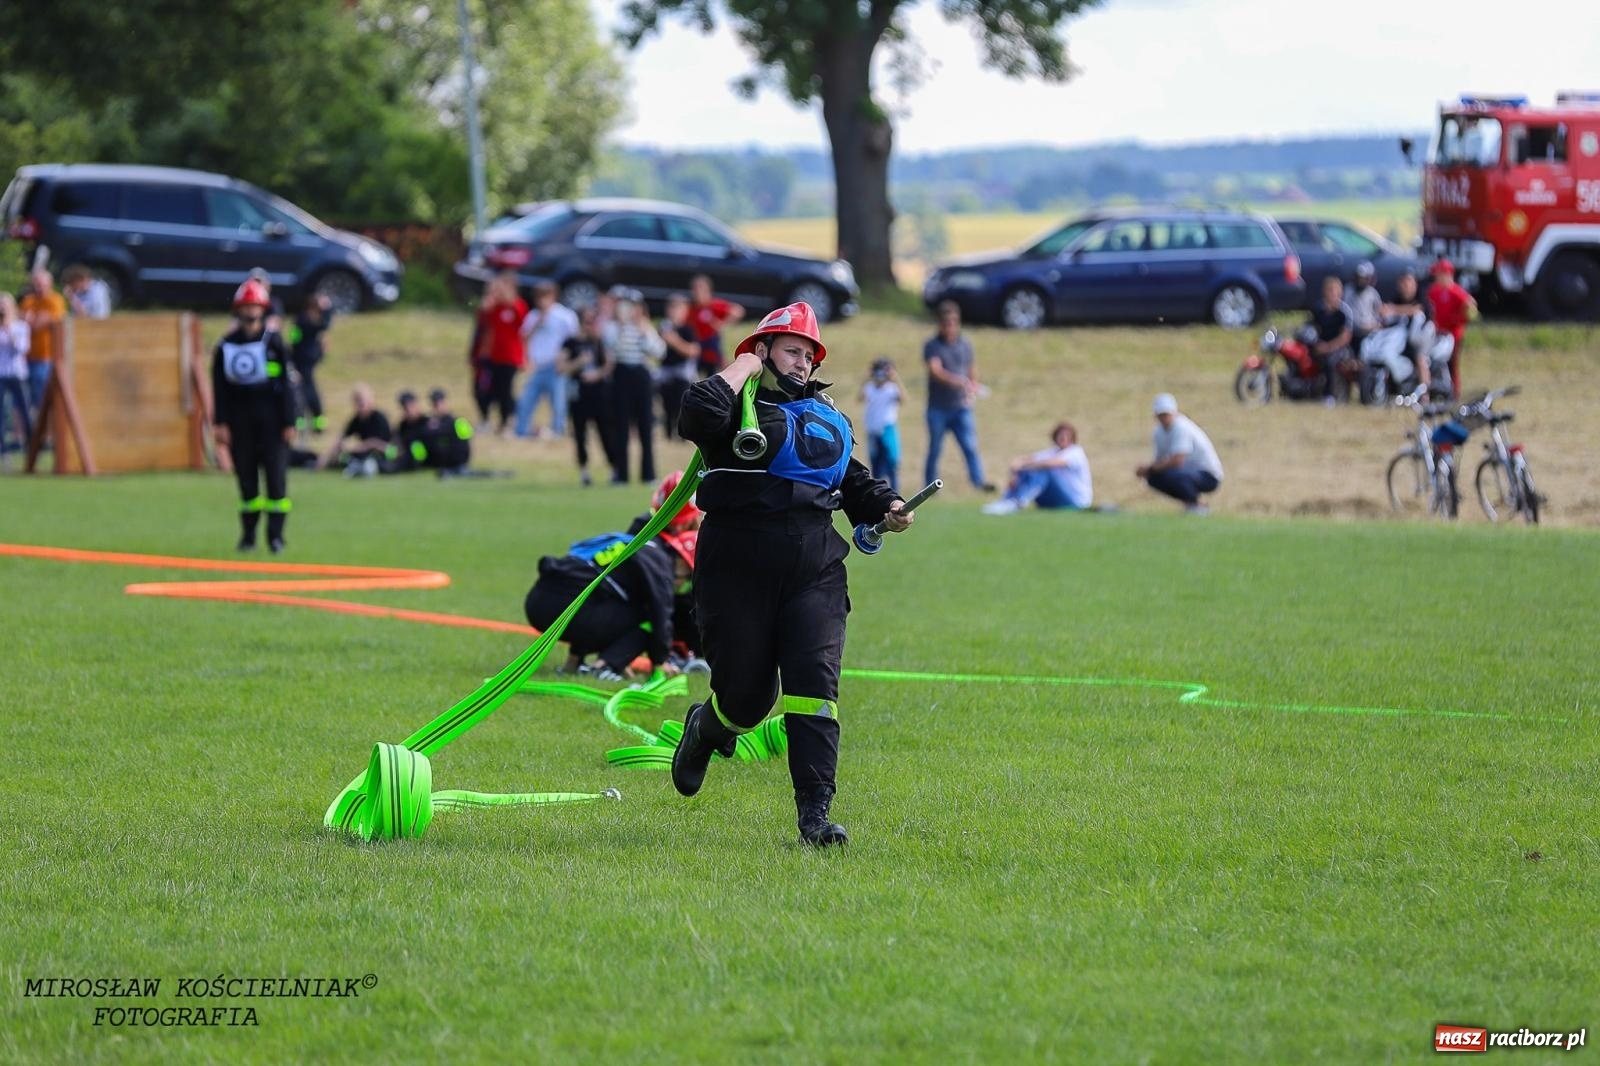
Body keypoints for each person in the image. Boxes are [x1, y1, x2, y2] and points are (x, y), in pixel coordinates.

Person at [673, 301, 912, 847]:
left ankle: (814, 818)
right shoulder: (734, 405)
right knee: (748, 701)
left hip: (815, 569)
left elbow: (854, 481)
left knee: (814, 689)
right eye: (790, 351)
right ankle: (709, 726)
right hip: (736, 567)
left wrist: (888, 506)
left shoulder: (829, 416)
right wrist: (744, 368)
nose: (802, 362)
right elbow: (694, 414)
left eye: (808, 354)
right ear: (764, 351)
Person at [523, 525, 695, 682]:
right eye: (687, 576)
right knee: (648, 620)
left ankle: (573, 664)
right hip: (566, 610)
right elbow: (661, 615)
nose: (682, 583)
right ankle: (605, 667)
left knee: (600, 600)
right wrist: (660, 661)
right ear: (681, 561)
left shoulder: (636, 541)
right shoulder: (660, 563)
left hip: (537, 601)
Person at [211, 279, 295, 552]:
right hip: (240, 421)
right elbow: (219, 389)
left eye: (255, 306)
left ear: (263, 309)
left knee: (276, 481)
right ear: (239, 309)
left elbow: (288, 386)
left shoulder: (275, 343)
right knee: (246, 481)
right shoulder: (225, 346)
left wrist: (290, 421)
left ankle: (276, 538)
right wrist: (220, 423)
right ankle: (248, 537)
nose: (251, 311)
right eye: (246, 306)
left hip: (272, 422)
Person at [923, 300, 994, 491]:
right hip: (938, 407)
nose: (951, 326)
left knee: (970, 446)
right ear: (940, 323)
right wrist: (959, 381)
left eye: (954, 322)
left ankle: (978, 482)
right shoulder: (933, 346)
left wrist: (971, 388)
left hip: (961, 407)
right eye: (947, 322)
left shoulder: (965, 344)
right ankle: (929, 486)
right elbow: (935, 371)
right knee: (936, 449)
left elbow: (971, 369)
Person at [602, 288, 664, 483]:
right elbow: (610, 347)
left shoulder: (645, 327)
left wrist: (643, 330)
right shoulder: (613, 327)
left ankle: (648, 475)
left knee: (645, 425)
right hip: (621, 374)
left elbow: (658, 351)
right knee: (621, 426)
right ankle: (621, 474)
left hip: (641, 375)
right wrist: (621, 326)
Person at [1136, 393, 1224, 515]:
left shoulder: (1181, 427)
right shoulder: (1158, 432)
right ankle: (1193, 503)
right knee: (1154, 478)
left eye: (1166, 414)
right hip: (1188, 472)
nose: (1164, 418)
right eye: (1161, 415)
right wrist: (1148, 470)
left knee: (1174, 473)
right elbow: (1160, 460)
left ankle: (1196, 505)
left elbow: (1177, 460)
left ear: (1174, 412)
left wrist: (1150, 468)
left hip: (1208, 475)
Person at [982, 422, 1093, 515]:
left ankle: (1018, 502)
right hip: (1054, 500)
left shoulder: (1075, 452)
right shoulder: (1052, 452)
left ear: (1072, 438)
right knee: (1027, 470)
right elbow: (1022, 461)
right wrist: (1015, 472)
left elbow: (1053, 463)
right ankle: (1006, 501)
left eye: (1067, 436)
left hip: (1075, 501)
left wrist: (1027, 466)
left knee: (1043, 471)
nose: (1063, 438)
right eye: (1060, 435)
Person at [514, 280, 579, 438]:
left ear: (553, 296)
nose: (541, 301)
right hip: (537, 365)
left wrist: (565, 362)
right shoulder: (533, 315)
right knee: (526, 400)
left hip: (555, 366)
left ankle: (558, 431)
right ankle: (521, 430)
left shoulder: (565, 316)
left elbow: (573, 341)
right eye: (538, 297)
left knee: (558, 402)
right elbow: (523, 337)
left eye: (545, 296)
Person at [560, 306, 617, 485]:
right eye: (587, 321)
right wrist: (578, 363)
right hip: (578, 396)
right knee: (579, 434)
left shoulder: (599, 342)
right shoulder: (571, 342)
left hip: (599, 395)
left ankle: (613, 468)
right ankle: (584, 471)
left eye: (593, 321)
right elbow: (561, 367)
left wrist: (597, 374)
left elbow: (609, 364)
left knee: (605, 432)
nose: (590, 325)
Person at [473, 273, 528, 434]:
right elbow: (482, 322)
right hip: (491, 357)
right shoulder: (494, 307)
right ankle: (487, 419)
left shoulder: (518, 306)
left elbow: (523, 325)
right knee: (485, 390)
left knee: (505, 391)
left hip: (510, 358)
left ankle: (507, 422)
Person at [1427, 258, 1476, 399]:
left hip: (1454, 335)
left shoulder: (1456, 292)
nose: (1436, 277)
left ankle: (1454, 391)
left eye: (1438, 274)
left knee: (1452, 363)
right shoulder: (1433, 291)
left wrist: (1462, 317)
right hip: (1437, 334)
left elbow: (1470, 305)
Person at [317, 384, 392, 475]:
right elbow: (342, 437)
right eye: (358, 402)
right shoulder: (357, 419)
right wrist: (326, 455)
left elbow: (376, 443)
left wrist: (355, 448)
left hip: (384, 454)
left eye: (362, 401)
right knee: (342, 456)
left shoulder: (379, 418)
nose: (360, 405)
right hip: (365, 453)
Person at [19, 268, 66, 413]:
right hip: (27, 357)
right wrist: (36, 319)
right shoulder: (28, 301)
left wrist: (33, 319)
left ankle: (46, 431)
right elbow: (21, 322)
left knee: (43, 396)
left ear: (49, 283)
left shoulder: (55, 300)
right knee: (28, 398)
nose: (38, 286)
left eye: (41, 283)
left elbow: (44, 322)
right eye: (35, 283)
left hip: (46, 357)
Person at [657, 292, 701, 441]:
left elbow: (693, 351)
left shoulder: (688, 329)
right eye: (672, 307)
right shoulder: (663, 327)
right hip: (666, 372)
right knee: (667, 406)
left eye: (678, 307)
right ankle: (668, 434)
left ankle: (682, 436)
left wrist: (674, 341)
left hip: (682, 373)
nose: (674, 311)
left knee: (681, 406)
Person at [289, 294, 334, 434]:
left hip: (303, 363)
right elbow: (325, 325)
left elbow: (293, 340)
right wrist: (328, 309)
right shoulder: (305, 322)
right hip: (303, 363)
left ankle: (310, 423)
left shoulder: (299, 321)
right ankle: (311, 424)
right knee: (306, 393)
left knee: (303, 391)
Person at [1307, 276, 1356, 403]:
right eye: (1329, 290)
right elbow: (1312, 328)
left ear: (1340, 292)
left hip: (1339, 348)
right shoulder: (1318, 309)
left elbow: (1345, 337)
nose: (1332, 293)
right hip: (1321, 345)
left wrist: (1328, 347)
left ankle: (1330, 396)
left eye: (1335, 290)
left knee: (1331, 361)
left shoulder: (1344, 312)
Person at [860, 356, 902, 492]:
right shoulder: (869, 388)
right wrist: (867, 377)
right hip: (873, 430)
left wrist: (895, 378)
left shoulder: (892, 388)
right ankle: (878, 492)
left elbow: (902, 398)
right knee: (875, 464)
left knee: (891, 462)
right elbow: (860, 397)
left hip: (887, 429)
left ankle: (895, 491)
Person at [688, 274, 743, 377]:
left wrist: (722, 324)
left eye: (701, 289)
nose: (698, 293)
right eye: (695, 290)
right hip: (698, 349)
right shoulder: (692, 308)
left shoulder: (714, 305)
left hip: (713, 349)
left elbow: (738, 311)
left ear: (708, 290)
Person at [0, 294, 30, 462]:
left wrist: (8, 329)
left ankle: (30, 443)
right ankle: (3, 448)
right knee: (1, 413)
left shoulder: (20, 326)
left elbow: (21, 349)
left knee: (24, 409)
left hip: (17, 374)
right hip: (1, 374)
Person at [1347, 261, 1383, 353]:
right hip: (1353, 333)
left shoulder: (1373, 293)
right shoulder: (1348, 291)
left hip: (1370, 334)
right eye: (1359, 278)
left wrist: (1375, 325)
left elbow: (1379, 313)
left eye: (1363, 279)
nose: (1360, 281)